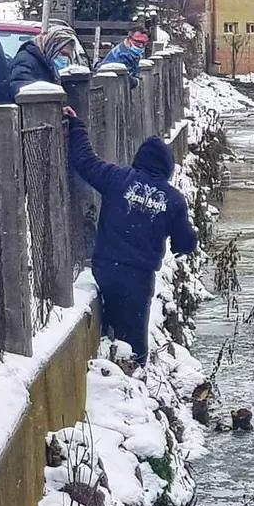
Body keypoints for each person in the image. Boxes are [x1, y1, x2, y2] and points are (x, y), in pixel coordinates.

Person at [63, 106, 197, 367]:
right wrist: (183, 244)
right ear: (167, 167)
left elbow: (85, 161)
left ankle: (108, 364)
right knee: (134, 337)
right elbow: (186, 241)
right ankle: (132, 376)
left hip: (106, 268)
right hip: (138, 277)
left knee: (110, 324)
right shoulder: (172, 200)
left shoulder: (117, 178)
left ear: (140, 159)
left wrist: (76, 126)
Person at [8, 25, 81, 95]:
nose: (64, 59)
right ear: (52, 47)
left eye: (68, 56)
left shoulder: (48, 63)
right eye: (63, 54)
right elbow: (20, 89)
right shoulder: (25, 60)